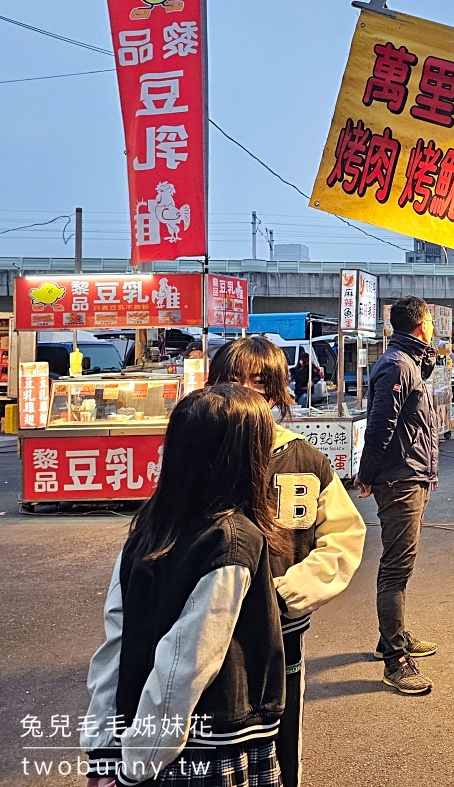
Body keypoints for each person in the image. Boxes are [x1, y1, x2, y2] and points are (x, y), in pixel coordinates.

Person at [82, 385, 288, 787]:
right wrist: (133, 767)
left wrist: (104, 752)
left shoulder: (150, 528)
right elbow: (185, 666)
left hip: (143, 738)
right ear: (247, 457)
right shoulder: (233, 539)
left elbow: (115, 648)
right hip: (207, 746)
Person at [207, 337, 366, 787]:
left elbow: (343, 535)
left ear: (277, 392)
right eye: (232, 380)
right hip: (204, 625)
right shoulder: (197, 449)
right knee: (211, 732)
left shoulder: (302, 457)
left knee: (279, 729)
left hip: (281, 628)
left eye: (258, 382)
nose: (244, 391)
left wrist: (287, 595)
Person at [355, 296, 440, 695]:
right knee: (395, 569)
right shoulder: (395, 365)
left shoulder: (408, 362)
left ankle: (394, 636)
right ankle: (394, 660)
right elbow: (379, 426)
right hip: (398, 479)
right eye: (431, 323)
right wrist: (367, 474)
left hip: (411, 475)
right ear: (422, 325)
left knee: (400, 566)